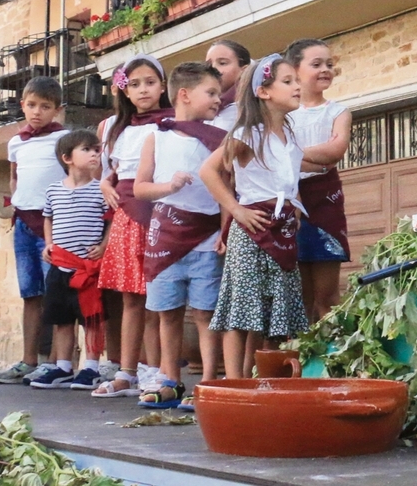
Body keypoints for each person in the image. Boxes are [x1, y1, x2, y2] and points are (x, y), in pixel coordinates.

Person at [200, 54, 309, 380]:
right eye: (287, 81)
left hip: (282, 228)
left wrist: (296, 205)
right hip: (252, 229)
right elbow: (208, 171)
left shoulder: (291, 137)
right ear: (263, 91)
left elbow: (288, 179)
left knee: (277, 307)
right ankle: (234, 382)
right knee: (241, 307)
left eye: (296, 81)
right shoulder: (249, 133)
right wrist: (236, 210)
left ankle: (268, 378)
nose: (297, 86)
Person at [133, 62, 227, 410]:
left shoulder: (219, 139)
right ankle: (170, 380)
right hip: (166, 238)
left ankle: (208, 382)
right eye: (211, 93)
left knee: (205, 312)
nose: (218, 99)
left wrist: (226, 229)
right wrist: (167, 186)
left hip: (206, 237)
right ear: (185, 95)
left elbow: (227, 188)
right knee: (167, 312)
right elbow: (140, 187)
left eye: (218, 93)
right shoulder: (156, 137)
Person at [94, 56, 174, 398]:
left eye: (150, 82)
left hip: (161, 214)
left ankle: (158, 371)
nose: (143, 90)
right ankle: (127, 371)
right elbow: (107, 171)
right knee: (131, 298)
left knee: (160, 297)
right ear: (124, 90)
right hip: (127, 215)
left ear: (164, 86)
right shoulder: (112, 127)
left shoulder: (173, 123)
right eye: (136, 83)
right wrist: (105, 184)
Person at [0, 77, 70, 385]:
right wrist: (20, 202)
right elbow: (14, 178)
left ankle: (57, 362)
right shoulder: (16, 142)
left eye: (45, 106)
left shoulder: (64, 140)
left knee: (57, 293)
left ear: (57, 110)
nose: (37, 112)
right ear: (22, 105)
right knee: (31, 293)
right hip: (24, 224)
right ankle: (28, 359)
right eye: (32, 105)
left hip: (54, 225)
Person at [28, 130, 109, 389]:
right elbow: (48, 217)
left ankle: (91, 367)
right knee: (62, 318)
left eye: (97, 149)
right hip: (60, 265)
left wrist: (104, 247)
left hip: (88, 268)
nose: (95, 154)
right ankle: (63, 366)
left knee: (91, 318)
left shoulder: (102, 190)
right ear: (67, 158)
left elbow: (111, 222)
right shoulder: (53, 191)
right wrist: (49, 244)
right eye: (87, 149)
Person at [285, 38, 352, 322]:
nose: (325, 69)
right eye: (316, 64)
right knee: (298, 296)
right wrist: (312, 158)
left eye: (329, 64)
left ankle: (331, 357)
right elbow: (272, 154)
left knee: (327, 295)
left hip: (325, 200)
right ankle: (297, 358)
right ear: (295, 70)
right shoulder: (284, 114)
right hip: (289, 199)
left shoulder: (338, 111)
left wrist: (291, 155)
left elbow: (335, 152)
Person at [206, 39, 251, 132]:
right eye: (208, 65)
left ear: (244, 70)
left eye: (222, 63)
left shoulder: (252, 104)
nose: (213, 68)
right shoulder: (204, 108)